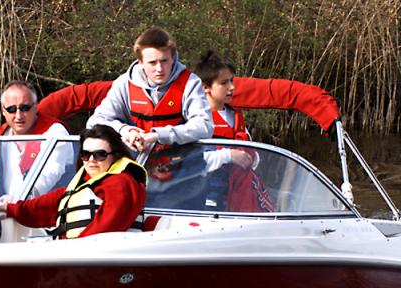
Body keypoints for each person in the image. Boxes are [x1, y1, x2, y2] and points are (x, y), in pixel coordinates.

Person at [0, 125, 147, 239]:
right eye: (86, 155)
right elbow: (44, 206)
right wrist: (8, 208)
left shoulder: (123, 183)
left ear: (115, 155)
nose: (91, 160)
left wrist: (75, 251)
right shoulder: (83, 185)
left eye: (100, 155)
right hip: (75, 256)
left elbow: (108, 226)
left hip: (100, 260)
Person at [85, 28, 213, 152]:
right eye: (152, 62)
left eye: (164, 61)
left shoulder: (190, 83)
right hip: (137, 162)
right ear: (140, 61)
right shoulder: (124, 83)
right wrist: (125, 130)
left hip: (183, 164)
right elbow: (95, 121)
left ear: (173, 58)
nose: (160, 69)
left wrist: (158, 135)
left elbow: (204, 126)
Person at [193, 50, 273, 212]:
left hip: (238, 195)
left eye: (232, 81)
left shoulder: (236, 116)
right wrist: (229, 155)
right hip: (209, 199)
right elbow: (190, 163)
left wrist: (251, 156)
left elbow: (253, 156)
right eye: (224, 83)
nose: (232, 87)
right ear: (205, 87)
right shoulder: (196, 120)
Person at [0, 81, 72, 199]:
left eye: (25, 108)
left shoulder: (55, 132)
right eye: (11, 109)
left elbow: (51, 172)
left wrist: (21, 199)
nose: (19, 116)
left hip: (46, 209)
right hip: (3, 210)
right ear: (3, 111)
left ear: (35, 107)